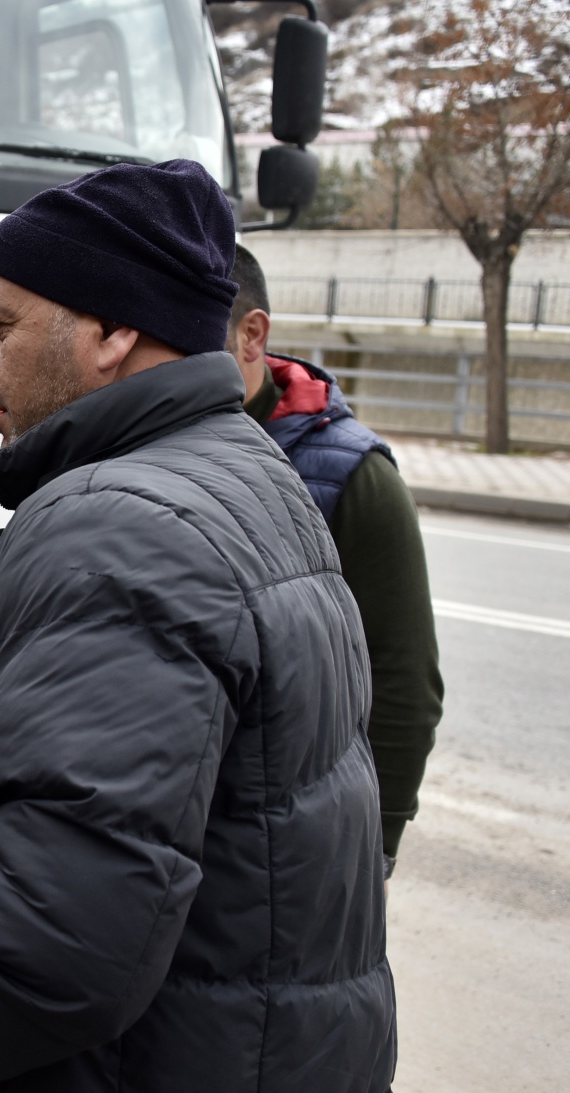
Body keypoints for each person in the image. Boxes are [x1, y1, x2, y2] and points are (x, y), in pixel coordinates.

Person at [0, 161, 396, 1092]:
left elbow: (46, 941)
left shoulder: (120, 529)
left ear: (111, 331)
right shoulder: (241, 474)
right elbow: (136, 799)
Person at [226, 243, 443, 879]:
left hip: (298, 855)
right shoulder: (140, 443)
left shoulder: (353, 477)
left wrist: (375, 849)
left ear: (251, 334)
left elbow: (404, 680)